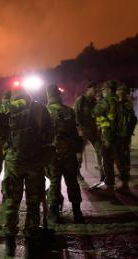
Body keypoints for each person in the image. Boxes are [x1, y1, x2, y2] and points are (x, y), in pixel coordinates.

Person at [0, 85, 53, 258]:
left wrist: (6, 142)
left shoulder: (6, 108)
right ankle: (31, 244)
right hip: (35, 162)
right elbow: (50, 136)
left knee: (12, 202)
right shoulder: (40, 109)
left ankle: (10, 244)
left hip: (13, 162)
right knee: (33, 204)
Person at [45, 84, 85, 224]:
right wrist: (79, 152)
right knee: (72, 182)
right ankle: (77, 212)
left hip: (53, 154)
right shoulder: (69, 111)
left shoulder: (44, 111)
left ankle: (54, 213)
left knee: (55, 183)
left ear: (48, 95)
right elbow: (77, 134)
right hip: (69, 153)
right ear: (59, 95)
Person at [92, 80, 121, 193]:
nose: (102, 92)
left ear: (108, 90)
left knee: (107, 160)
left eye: (104, 90)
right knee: (116, 159)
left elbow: (95, 112)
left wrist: (97, 102)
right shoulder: (118, 100)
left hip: (108, 135)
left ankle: (109, 184)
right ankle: (120, 183)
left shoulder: (107, 101)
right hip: (117, 135)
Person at [73, 82, 104, 187]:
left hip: (93, 131)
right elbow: (76, 115)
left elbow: (97, 115)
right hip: (83, 131)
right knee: (79, 155)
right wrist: (79, 129)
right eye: (94, 89)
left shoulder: (94, 102)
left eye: (97, 90)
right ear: (88, 89)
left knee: (100, 150)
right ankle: (77, 172)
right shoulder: (81, 100)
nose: (96, 91)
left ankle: (102, 173)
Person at [115, 84, 138, 192]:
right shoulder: (127, 105)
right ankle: (124, 182)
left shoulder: (122, 105)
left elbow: (131, 121)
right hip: (124, 136)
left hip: (121, 137)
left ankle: (125, 185)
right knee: (123, 159)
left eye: (119, 92)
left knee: (122, 160)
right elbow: (134, 120)